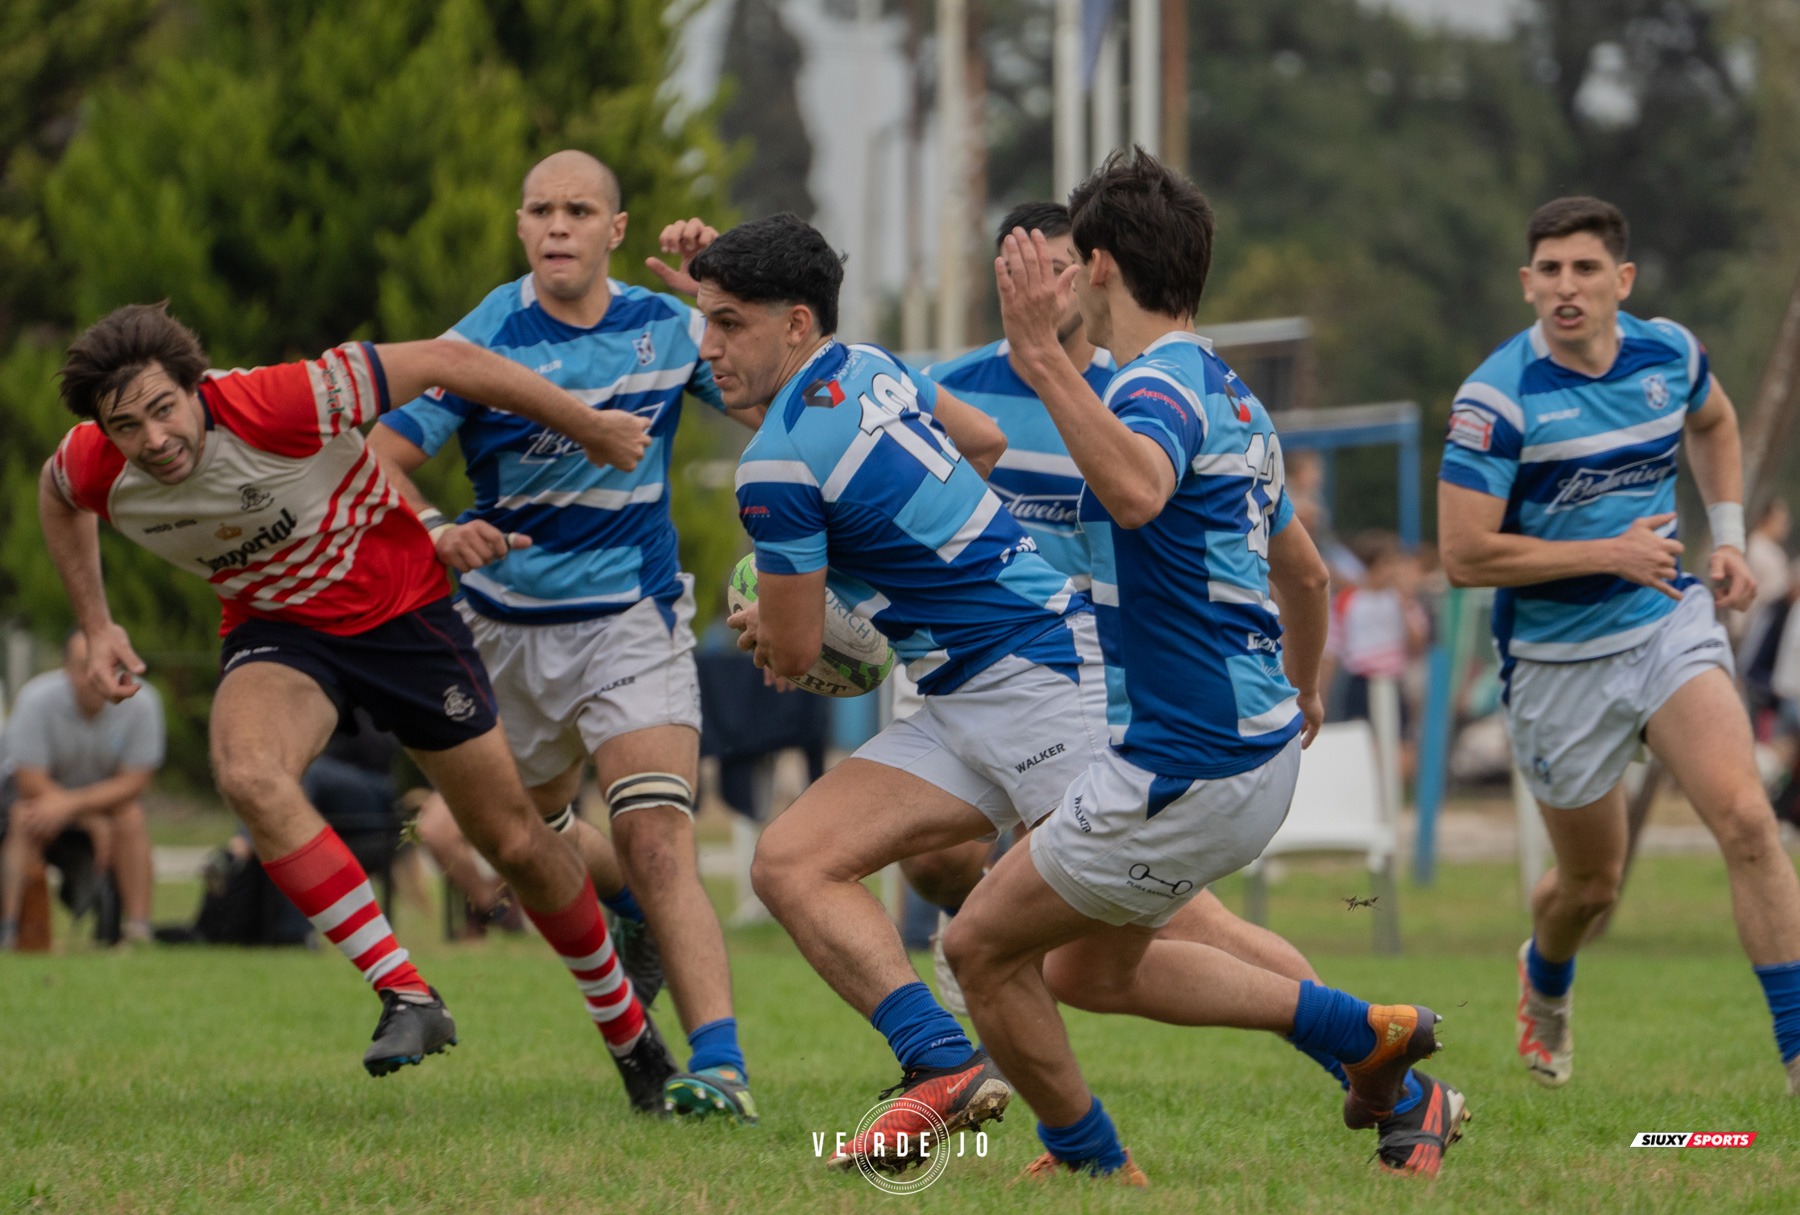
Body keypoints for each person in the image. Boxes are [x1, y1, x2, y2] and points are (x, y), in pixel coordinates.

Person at [944, 149, 1465, 1184]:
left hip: (1184, 760)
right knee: (1090, 967)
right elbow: (1308, 580)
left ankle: (1091, 1161)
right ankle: (1373, 1042)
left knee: (975, 951)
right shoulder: (1234, 396)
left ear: (1095, 268)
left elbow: (1137, 489)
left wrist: (1041, 359)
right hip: (1252, 748)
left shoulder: (1159, 392)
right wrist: (1308, 689)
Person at [39, 302, 677, 1106]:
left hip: (403, 616)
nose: (154, 439)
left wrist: (586, 425)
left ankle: (629, 1031)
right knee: (247, 771)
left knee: (514, 840)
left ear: (195, 387)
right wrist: (96, 626)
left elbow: (453, 359)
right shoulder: (96, 462)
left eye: (164, 409)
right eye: (126, 425)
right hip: (281, 630)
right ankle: (406, 992)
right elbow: (55, 495)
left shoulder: (285, 398)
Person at [689, 211, 1108, 1171]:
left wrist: (772, 623)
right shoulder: (873, 366)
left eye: (727, 324)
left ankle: (1374, 1050)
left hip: (1041, 679)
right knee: (793, 859)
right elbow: (987, 442)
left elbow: (797, 658)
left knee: (1137, 951)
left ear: (795, 324)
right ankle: (939, 1064)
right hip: (969, 692)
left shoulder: (775, 468)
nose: (707, 348)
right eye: (704, 323)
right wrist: (894, 564)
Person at [367, 150, 754, 1120]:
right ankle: (637, 917)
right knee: (525, 843)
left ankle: (719, 1068)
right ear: (520, 225)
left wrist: (729, 297)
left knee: (656, 828)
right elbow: (378, 457)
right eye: (541, 209)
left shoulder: (666, 329)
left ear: (616, 231)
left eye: (579, 209)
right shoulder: (485, 337)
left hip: (634, 616)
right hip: (503, 632)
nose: (558, 226)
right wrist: (436, 532)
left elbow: (770, 396)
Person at [1435, 195, 1800, 1095]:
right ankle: (1546, 977)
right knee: (1590, 886)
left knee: (1749, 819)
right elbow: (1463, 554)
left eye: (1586, 269)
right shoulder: (1496, 400)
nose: (1567, 287)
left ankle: (1797, 1055)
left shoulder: (1667, 352)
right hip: (1556, 666)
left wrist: (1724, 534)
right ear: (1528, 285)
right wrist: (1608, 551)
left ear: (1621, 281)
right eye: (1550, 270)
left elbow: (1713, 423)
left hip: (1664, 626)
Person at [1, 630, 163, 949]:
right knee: (24, 818)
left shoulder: (143, 703)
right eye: (83, 666)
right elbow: (29, 780)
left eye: (104, 665)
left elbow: (134, 782)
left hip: (105, 807)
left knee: (131, 818)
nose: (93, 676)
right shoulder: (36, 699)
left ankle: (138, 930)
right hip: (42, 802)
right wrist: (89, 820)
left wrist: (75, 808)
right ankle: (13, 930)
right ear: (65, 669)